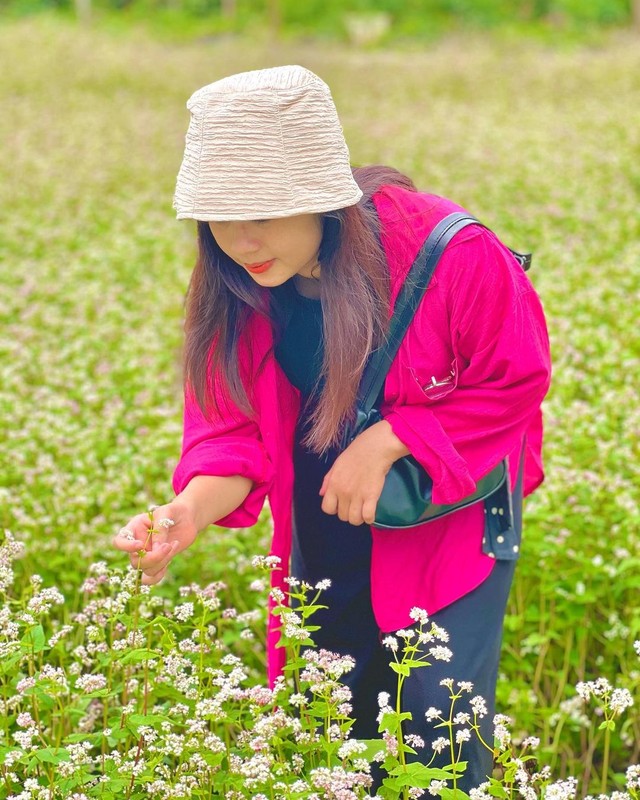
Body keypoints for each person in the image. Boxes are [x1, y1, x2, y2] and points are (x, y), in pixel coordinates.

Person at [113, 65, 551, 789]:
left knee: (435, 738)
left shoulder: (450, 251)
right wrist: (184, 511)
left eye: (262, 211)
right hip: (325, 529)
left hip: (446, 525)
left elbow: (517, 379)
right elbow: (232, 433)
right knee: (331, 731)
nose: (241, 239)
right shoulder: (238, 283)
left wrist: (392, 436)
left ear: (323, 197)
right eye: (220, 217)